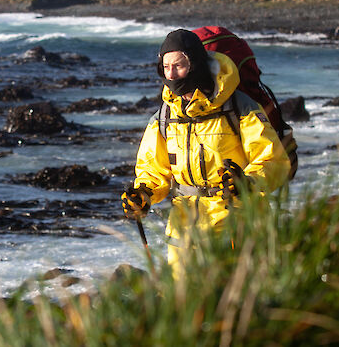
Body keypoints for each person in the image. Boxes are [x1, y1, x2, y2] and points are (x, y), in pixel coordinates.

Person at [121, 28, 291, 275]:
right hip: (184, 228)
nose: (171, 74)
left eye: (178, 66)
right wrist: (142, 195)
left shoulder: (238, 106)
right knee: (186, 304)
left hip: (236, 222)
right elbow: (153, 170)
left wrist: (247, 183)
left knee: (236, 302)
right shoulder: (165, 115)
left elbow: (273, 159)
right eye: (165, 67)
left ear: (195, 64)